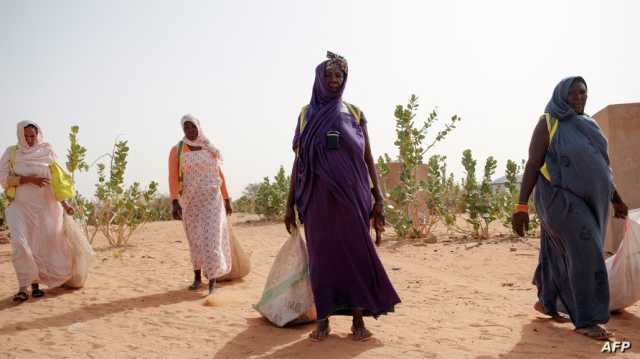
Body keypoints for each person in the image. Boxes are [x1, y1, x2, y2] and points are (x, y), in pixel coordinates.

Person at [284, 52, 401, 341]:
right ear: (319, 79)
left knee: (356, 257)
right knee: (322, 260)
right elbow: (299, 162)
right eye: (329, 75)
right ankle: (322, 320)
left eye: (339, 76)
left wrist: (379, 199)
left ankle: (358, 320)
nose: (334, 80)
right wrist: (289, 204)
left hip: (354, 197)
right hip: (317, 199)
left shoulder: (355, 113)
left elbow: (368, 157)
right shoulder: (305, 114)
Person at [512, 76, 629, 340]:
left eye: (583, 93)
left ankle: (548, 301)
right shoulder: (548, 122)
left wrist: (616, 198)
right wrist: (521, 206)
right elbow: (532, 164)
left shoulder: (590, 125)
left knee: (555, 251)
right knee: (587, 250)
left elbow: (602, 168)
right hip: (557, 198)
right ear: (561, 95)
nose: (578, 98)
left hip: (590, 201)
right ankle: (586, 318)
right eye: (573, 94)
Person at [0, 121, 76, 302]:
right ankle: (22, 286)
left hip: (44, 207)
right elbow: (3, 179)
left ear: (38, 134)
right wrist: (27, 179)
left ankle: (34, 286)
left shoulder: (47, 151)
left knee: (38, 247)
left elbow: (56, 180)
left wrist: (65, 204)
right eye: (25, 136)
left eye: (32, 136)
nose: (29, 140)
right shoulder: (12, 153)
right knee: (20, 244)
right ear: (20, 135)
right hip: (19, 205)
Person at [168, 114, 233, 294]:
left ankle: (212, 282)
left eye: (192, 127)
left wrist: (227, 198)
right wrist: (175, 201)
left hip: (213, 200)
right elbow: (172, 176)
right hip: (190, 202)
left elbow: (219, 175)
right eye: (186, 128)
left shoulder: (210, 148)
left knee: (211, 239)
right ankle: (197, 277)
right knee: (195, 240)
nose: (189, 130)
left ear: (199, 127)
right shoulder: (178, 150)